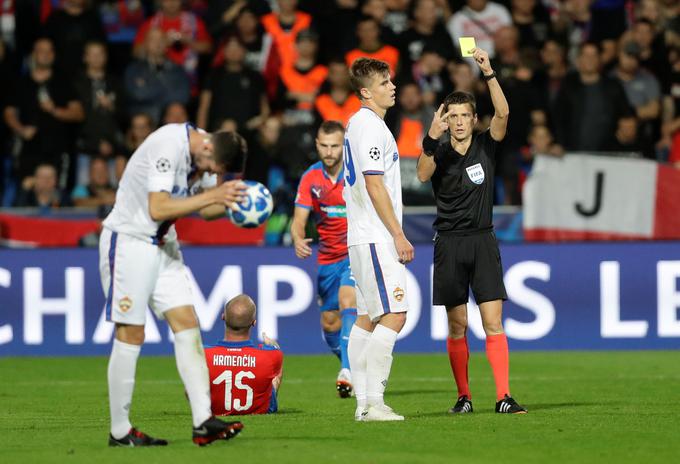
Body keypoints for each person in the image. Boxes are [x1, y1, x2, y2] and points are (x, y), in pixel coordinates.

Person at [99, 122, 249, 446]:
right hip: (130, 241)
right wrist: (213, 194)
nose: (209, 173)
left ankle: (202, 421)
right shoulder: (169, 145)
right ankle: (120, 430)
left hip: (164, 245)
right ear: (207, 147)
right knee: (131, 332)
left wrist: (235, 205)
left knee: (187, 324)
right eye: (212, 168)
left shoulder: (204, 153)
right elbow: (158, 207)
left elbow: (206, 208)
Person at [416, 47, 526, 414]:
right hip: (448, 243)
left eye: (465, 115)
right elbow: (421, 174)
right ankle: (464, 397)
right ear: (445, 119)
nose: (460, 121)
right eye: (453, 116)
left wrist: (489, 72)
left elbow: (505, 112)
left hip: (482, 240)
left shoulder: (485, 146)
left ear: (474, 118)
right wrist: (431, 138)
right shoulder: (439, 150)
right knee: (457, 324)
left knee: (493, 322)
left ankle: (503, 397)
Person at [344, 57, 414, 422]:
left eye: (391, 80)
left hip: (362, 234)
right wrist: (398, 234)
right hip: (375, 236)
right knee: (395, 315)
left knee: (367, 317)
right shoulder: (370, 128)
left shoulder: (359, 125)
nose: (393, 86)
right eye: (385, 82)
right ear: (366, 92)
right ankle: (373, 402)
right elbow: (374, 185)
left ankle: (362, 404)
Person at [291, 120, 358, 398]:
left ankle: (348, 371)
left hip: (355, 252)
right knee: (330, 323)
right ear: (317, 145)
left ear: (343, 146)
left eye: (335, 146)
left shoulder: (356, 174)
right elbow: (299, 220)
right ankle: (353, 363)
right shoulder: (310, 178)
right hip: (327, 258)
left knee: (348, 301)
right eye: (325, 146)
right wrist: (297, 238)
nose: (330, 152)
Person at [205, 294, 283, 416]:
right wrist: (274, 347)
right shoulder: (271, 354)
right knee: (274, 370)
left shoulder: (202, 354)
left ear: (223, 317)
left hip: (213, 411)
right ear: (254, 323)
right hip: (260, 411)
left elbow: (190, 393)